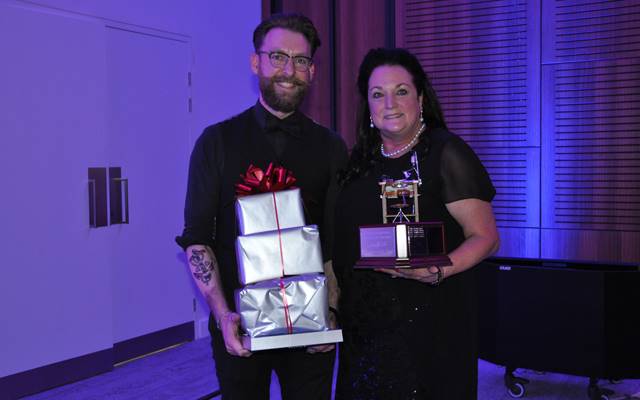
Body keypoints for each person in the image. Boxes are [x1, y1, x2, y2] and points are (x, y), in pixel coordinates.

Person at [175, 13, 347, 399]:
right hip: (239, 323)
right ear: (256, 63)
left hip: (311, 324)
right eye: (278, 57)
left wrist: (331, 314)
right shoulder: (215, 142)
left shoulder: (332, 147)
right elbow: (198, 239)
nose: (289, 70)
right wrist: (222, 315)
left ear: (312, 71)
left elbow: (334, 245)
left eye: (301, 60)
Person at [333, 48, 500, 399]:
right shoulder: (357, 163)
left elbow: (485, 237)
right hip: (366, 330)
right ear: (368, 105)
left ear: (420, 97)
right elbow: (343, 245)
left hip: (431, 325)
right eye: (378, 94)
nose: (390, 103)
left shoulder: (446, 152)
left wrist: (439, 269)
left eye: (401, 91)